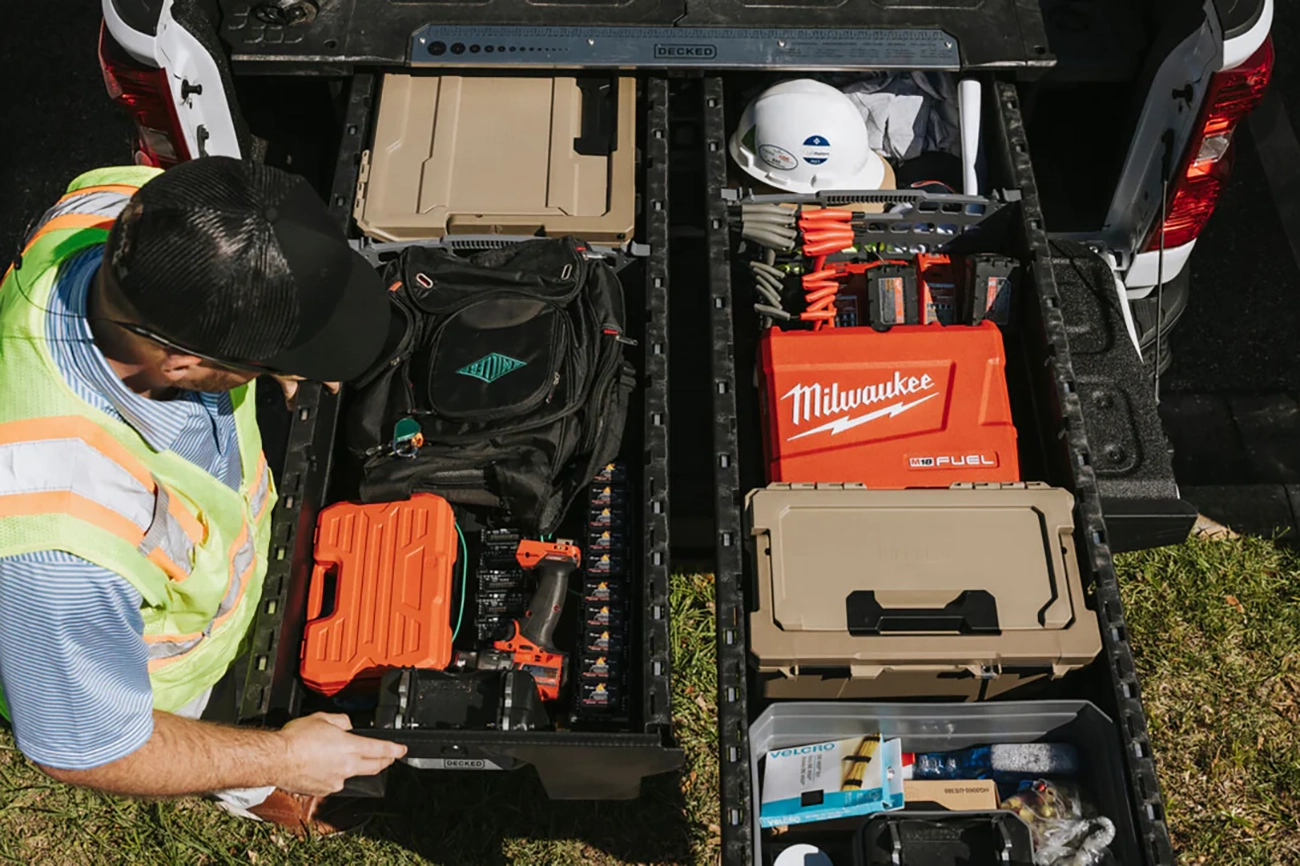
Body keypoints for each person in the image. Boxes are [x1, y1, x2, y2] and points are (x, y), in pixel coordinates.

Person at [0, 157, 407, 835]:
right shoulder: (57, 542)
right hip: (166, 680)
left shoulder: (130, 208)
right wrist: (284, 755)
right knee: (222, 742)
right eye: (266, 359)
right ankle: (261, 793)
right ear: (183, 363)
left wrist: (281, 349)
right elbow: (91, 748)